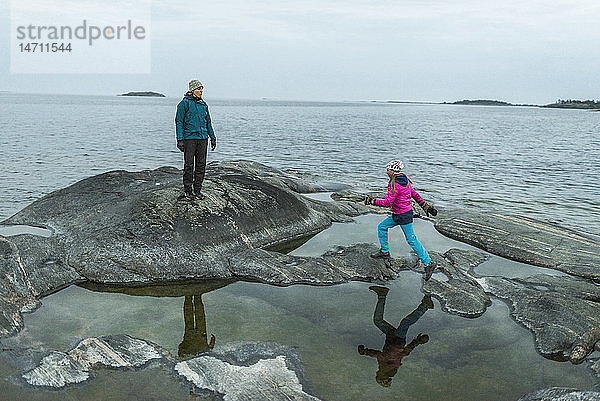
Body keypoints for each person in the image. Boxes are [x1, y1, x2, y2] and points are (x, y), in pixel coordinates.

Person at [365, 160, 438, 281]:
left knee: (411, 240)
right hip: (399, 214)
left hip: (403, 216)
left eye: (388, 170)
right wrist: (425, 205)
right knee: (382, 227)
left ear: (392, 172)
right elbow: (414, 194)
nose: (386, 172)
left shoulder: (395, 184)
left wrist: (373, 201)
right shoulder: (405, 181)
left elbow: (388, 202)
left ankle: (429, 263)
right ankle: (384, 252)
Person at [358, 286, 433, 387]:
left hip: (391, 338)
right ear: (382, 375)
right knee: (405, 323)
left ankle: (382, 295)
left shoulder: (386, 367)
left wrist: (366, 352)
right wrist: (417, 341)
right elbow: (382, 355)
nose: (377, 372)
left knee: (378, 321)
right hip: (397, 341)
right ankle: (425, 306)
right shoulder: (389, 366)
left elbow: (400, 353)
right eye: (378, 375)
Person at [175, 79, 217, 200]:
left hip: (203, 138)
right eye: (199, 89)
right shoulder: (184, 104)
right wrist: (180, 139)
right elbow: (179, 122)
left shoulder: (203, 105)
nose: (201, 91)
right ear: (192, 90)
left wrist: (212, 137)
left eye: (202, 88)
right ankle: (188, 191)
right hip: (189, 139)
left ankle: (197, 190)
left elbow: (208, 122)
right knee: (189, 165)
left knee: (201, 165)